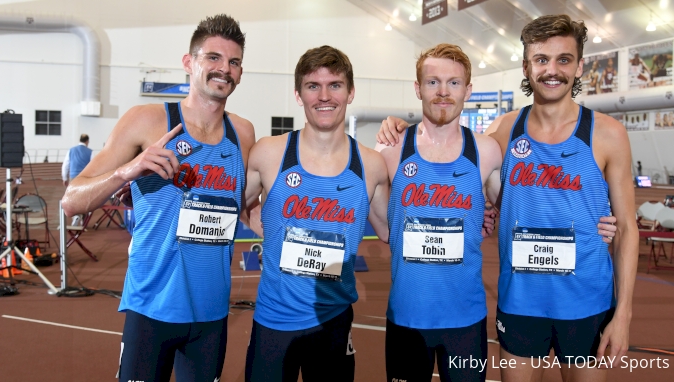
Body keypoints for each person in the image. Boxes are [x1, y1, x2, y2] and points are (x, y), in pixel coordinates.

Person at [376, 14, 629, 382]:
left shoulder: (606, 133)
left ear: (579, 65)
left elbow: (626, 229)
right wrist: (397, 125)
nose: (552, 70)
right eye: (541, 59)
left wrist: (624, 313)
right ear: (526, 67)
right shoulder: (504, 130)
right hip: (519, 303)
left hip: (585, 299)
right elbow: (465, 169)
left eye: (563, 59)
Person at [61, 14, 255, 382]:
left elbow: (245, 206)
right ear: (189, 62)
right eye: (212, 58)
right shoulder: (147, 120)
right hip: (152, 308)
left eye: (233, 62)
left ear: (241, 72)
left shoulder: (243, 133)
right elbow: (72, 199)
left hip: (211, 314)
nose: (223, 69)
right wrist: (127, 171)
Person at [243, 45, 390, 382]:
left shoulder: (371, 164)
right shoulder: (269, 153)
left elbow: (390, 230)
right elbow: (232, 203)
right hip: (273, 323)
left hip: (333, 323)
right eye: (313, 86)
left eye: (335, 85)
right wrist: (268, 227)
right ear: (298, 94)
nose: (324, 96)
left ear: (350, 92)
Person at [375, 43, 501, 382]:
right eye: (433, 82)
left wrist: (593, 223)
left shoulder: (486, 151)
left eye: (454, 83)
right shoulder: (391, 148)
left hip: (466, 321)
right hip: (407, 317)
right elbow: (380, 221)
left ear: (468, 90)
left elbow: (522, 206)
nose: (443, 92)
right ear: (418, 89)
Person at [61, 134, 92, 225]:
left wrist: (64, 178)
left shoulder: (71, 150)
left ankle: (75, 215)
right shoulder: (90, 152)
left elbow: (65, 165)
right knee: (85, 198)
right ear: (87, 141)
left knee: (73, 197)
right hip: (85, 177)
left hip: (73, 177)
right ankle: (83, 219)